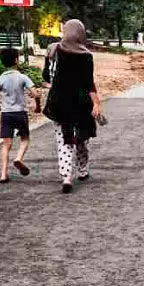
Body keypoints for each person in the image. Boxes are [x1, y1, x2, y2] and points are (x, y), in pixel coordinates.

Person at [42, 20, 100, 194]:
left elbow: (46, 76)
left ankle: (66, 176)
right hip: (81, 103)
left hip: (59, 102)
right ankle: (82, 170)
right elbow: (89, 82)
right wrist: (96, 103)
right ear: (81, 34)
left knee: (64, 140)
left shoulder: (53, 50)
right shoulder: (86, 55)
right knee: (81, 138)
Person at [0, 48, 41, 184]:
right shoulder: (22, 77)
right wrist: (37, 106)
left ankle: (3, 174)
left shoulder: (0, 79)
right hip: (20, 112)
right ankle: (19, 158)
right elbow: (36, 94)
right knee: (25, 138)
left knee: (6, 144)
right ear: (16, 60)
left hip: (6, 113)